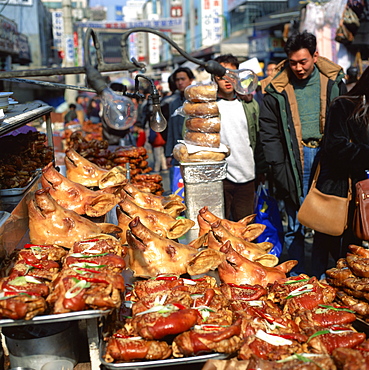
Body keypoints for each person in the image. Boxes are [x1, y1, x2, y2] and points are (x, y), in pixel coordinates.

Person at [259, 31, 347, 275]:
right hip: (291, 161)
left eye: (303, 61)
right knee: (294, 224)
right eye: (293, 62)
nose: (297, 68)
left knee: (324, 222)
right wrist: (277, 167)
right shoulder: (275, 89)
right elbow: (269, 133)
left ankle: (319, 276)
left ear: (315, 56)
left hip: (325, 158)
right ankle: (296, 279)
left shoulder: (334, 82)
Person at [311, 66, 369, 279]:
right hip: (338, 188)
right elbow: (335, 146)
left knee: (354, 248)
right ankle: (317, 287)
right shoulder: (344, 105)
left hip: (363, 190)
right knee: (327, 242)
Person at [214, 54, 267, 220]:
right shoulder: (209, 106)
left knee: (244, 231)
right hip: (219, 177)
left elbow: (258, 139)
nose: (227, 80)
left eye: (232, 75)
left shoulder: (250, 105)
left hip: (247, 176)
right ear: (214, 78)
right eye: (221, 76)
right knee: (219, 229)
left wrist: (261, 171)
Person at [164, 67, 195, 168]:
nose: (180, 82)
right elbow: (171, 130)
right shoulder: (174, 103)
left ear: (191, 80)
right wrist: (168, 153)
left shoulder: (198, 101)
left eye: (183, 79)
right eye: (177, 80)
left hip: (195, 151)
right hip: (179, 153)